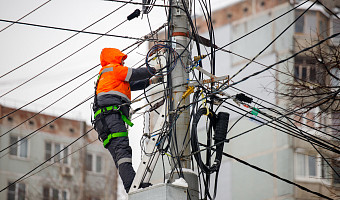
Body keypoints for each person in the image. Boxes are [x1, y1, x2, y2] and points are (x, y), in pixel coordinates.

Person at [92, 48, 161, 193]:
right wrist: (154, 69)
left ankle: (131, 184)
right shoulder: (113, 69)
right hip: (112, 117)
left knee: (119, 154)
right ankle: (132, 186)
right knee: (122, 150)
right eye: (121, 59)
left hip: (103, 122)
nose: (123, 62)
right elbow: (133, 74)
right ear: (115, 58)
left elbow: (131, 84)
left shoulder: (105, 75)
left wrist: (149, 81)